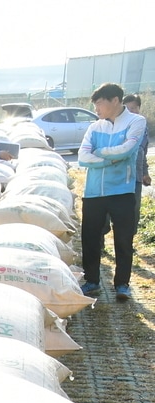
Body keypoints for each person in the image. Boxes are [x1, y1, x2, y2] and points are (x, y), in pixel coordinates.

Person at [78, 82, 147, 302]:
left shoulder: (136, 121)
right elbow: (82, 157)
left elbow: (128, 149)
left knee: (123, 239)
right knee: (90, 238)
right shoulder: (95, 126)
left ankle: (122, 285)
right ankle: (92, 281)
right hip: (94, 192)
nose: (96, 109)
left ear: (115, 100)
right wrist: (111, 159)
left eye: (99, 103)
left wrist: (99, 153)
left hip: (122, 190)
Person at [124, 94, 150, 226]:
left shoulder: (143, 128)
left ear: (139, 108)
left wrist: (145, 173)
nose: (131, 111)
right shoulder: (120, 126)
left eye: (133, 108)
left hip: (136, 178)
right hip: (120, 177)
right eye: (127, 109)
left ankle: (128, 243)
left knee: (134, 211)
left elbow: (143, 153)